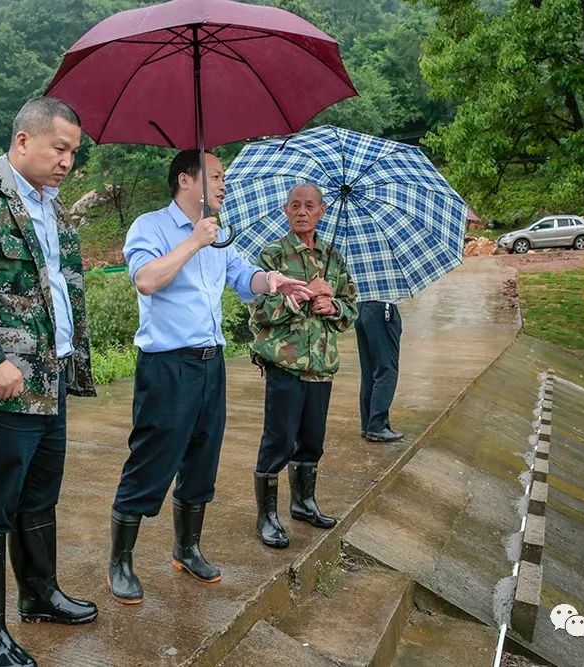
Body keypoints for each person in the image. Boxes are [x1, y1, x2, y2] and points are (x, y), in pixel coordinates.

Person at [107, 150, 312, 605]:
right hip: (167, 366)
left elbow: (244, 279)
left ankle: (188, 548)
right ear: (186, 180)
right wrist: (193, 242)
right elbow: (145, 280)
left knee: (203, 457)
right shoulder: (151, 226)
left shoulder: (219, 235)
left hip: (209, 363)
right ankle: (121, 561)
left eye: (224, 178)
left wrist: (274, 280)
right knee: (152, 458)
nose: (223, 185)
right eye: (216, 176)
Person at [0, 97, 97, 667]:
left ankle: (39, 596)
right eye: (59, 148)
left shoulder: (54, 209)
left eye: (73, 153)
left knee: (39, 496)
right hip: (4, 386)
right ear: (22, 141)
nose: (66, 161)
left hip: (49, 377)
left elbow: (62, 289)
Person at [249, 184, 358, 548]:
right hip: (286, 364)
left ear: (322, 211)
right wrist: (298, 297)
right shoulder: (274, 256)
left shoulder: (334, 258)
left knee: (312, 440)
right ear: (285, 210)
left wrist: (334, 307)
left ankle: (303, 503)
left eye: (309, 205)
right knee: (278, 439)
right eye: (295, 205)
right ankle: (267, 516)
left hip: (322, 365)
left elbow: (351, 308)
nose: (302, 211)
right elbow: (259, 312)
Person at [355, 296, 406, 443]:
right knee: (386, 370)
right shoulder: (386, 274)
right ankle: (377, 425)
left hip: (362, 308)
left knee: (369, 371)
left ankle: (368, 423)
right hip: (383, 309)